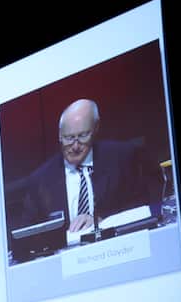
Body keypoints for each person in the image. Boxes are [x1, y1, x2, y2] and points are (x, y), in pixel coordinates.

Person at [13, 99, 154, 235]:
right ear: (59, 135)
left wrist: (101, 222)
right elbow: (28, 234)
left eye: (82, 136)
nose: (75, 146)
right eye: (68, 138)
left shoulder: (121, 157)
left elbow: (141, 207)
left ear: (95, 128)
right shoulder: (39, 180)